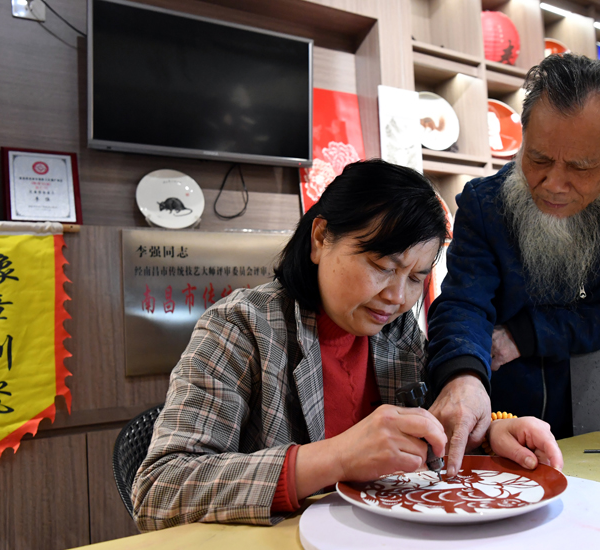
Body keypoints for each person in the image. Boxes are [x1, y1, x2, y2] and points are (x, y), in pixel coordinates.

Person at [132, 159, 564, 530]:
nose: (397, 297)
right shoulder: (242, 327)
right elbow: (160, 490)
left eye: (416, 278)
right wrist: (337, 456)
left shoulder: (398, 335)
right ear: (321, 238)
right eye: (381, 266)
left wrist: (486, 436)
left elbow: (426, 447)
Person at [427, 53, 600, 476]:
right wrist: (463, 377)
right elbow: (463, 304)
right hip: (506, 432)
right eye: (539, 159)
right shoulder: (485, 204)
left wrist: (529, 334)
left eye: (580, 167)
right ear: (524, 135)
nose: (554, 185)